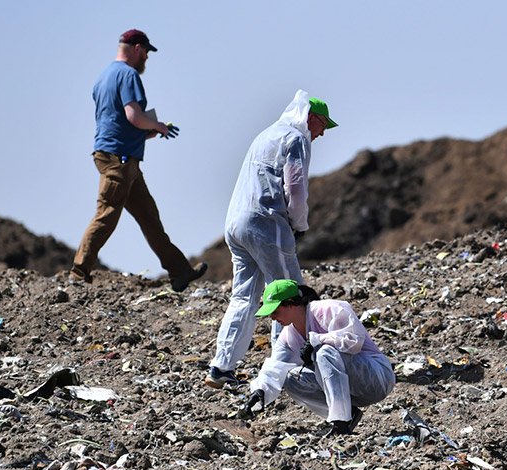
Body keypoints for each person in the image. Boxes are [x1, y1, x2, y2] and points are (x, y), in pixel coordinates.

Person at [205, 90, 337, 388]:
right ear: (311, 118)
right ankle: (284, 369)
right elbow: (296, 187)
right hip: (266, 223)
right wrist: (299, 223)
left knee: (244, 295)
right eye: (323, 126)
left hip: (237, 223)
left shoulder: (267, 134)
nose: (322, 134)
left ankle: (221, 368)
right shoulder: (296, 137)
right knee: (289, 294)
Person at [70, 29, 207, 291]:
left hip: (122, 157)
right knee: (107, 214)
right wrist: (158, 125)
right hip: (119, 160)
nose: (146, 57)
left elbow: (118, 123)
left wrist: (150, 131)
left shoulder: (104, 77)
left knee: (149, 217)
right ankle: (79, 271)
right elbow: (133, 115)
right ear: (136, 48)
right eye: (145, 52)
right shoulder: (128, 75)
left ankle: (180, 272)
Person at [239, 279, 396, 437]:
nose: (273, 318)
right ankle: (347, 414)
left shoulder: (329, 309)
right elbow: (276, 366)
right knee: (290, 378)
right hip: (353, 391)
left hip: (376, 378)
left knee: (324, 351)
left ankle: (340, 422)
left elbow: (353, 341)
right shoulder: (288, 336)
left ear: (291, 303)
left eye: (275, 311)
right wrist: (259, 392)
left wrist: (318, 340)